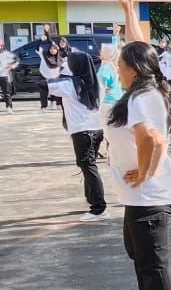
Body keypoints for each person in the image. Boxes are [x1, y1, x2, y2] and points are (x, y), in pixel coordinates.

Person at [108, 0, 171, 290]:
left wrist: (146, 172)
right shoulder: (147, 87)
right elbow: (139, 47)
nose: (115, 67)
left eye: (119, 64)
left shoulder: (140, 98)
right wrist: (128, 12)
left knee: (152, 263)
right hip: (142, 196)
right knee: (140, 255)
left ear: (132, 70)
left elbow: (153, 139)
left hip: (149, 196)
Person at [48, 51, 109, 222]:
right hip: (96, 130)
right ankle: (91, 199)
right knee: (87, 165)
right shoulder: (97, 84)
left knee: (88, 167)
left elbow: (43, 84)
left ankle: (99, 208)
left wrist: (57, 72)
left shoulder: (68, 84)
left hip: (82, 132)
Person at [37, 41, 65, 111]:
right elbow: (38, 48)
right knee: (43, 92)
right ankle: (44, 106)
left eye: (54, 49)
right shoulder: (44, 55)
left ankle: (58, 104)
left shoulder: (59, 58)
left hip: (55, 77)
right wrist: (42, 40)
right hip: (44, 77)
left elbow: (62, 68)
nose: (53, 50)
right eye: (51, 49)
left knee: (57, 91)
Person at [97, 44, 125, 112]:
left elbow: (102, 82)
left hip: (108, 101)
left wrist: (103, 88)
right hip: (116, 99)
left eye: (102, 50)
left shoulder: (106, 66)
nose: (100, 51)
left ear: (107, 53)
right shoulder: (112, 64)